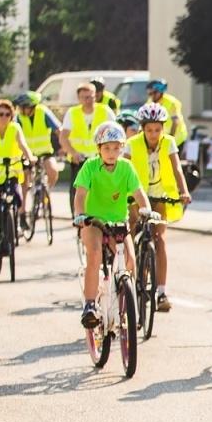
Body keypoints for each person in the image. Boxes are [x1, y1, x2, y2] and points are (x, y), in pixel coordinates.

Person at [73, 122, 151, 329]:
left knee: (130, 259)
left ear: (122, 148)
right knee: (95, 254)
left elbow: (138, 193)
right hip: (93, 221)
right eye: (106, 148)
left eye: (116, 148)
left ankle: (128, 304)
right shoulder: (90, 166)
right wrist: (80, 215)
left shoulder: (126, 167)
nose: (111, 152)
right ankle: (90, 305)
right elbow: (80, 195)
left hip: (118, 221)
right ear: (98, 148)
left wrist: (146, 210)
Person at [127, 102, 192, 312]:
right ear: (142, 129)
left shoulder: (169, 142)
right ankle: (128, 277)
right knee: (131, 229)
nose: (154, 134)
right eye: (149, 130)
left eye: (157, 129)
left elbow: (177, 169)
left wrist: (184, 191)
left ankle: (162, 291)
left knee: (160, 239)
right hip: (136, 195)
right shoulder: (131, 144)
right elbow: (122, 169)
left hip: (159, 196)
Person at [0, 98, 33, 266]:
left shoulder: (14, 128)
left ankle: (14, 226)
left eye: (7, 114)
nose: (4, 117)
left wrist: (30, 157)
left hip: (11, 173)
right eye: (1, 114)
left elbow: (23, 145)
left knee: (17, 198)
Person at [13, 92, 62, 225]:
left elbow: (58, 130)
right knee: (24, 178)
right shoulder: (18, 118)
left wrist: (63, 146)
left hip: (45, 152)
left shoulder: (43, 113)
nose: (20, 109)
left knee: (53, 170)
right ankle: (22, 212)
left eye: (23, 107)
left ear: (32, 107)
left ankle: (45, 194)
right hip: (26, 154)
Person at [59, 81, 113, 170]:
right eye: (83, 97)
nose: (86, 100)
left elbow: (115, 133)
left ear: (95, 97)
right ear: (78, 98)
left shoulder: (105, 111)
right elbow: (63, 137)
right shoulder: (72, 113)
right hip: (79, 160)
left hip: (101, 159)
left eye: (89, 97)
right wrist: (73, 152)